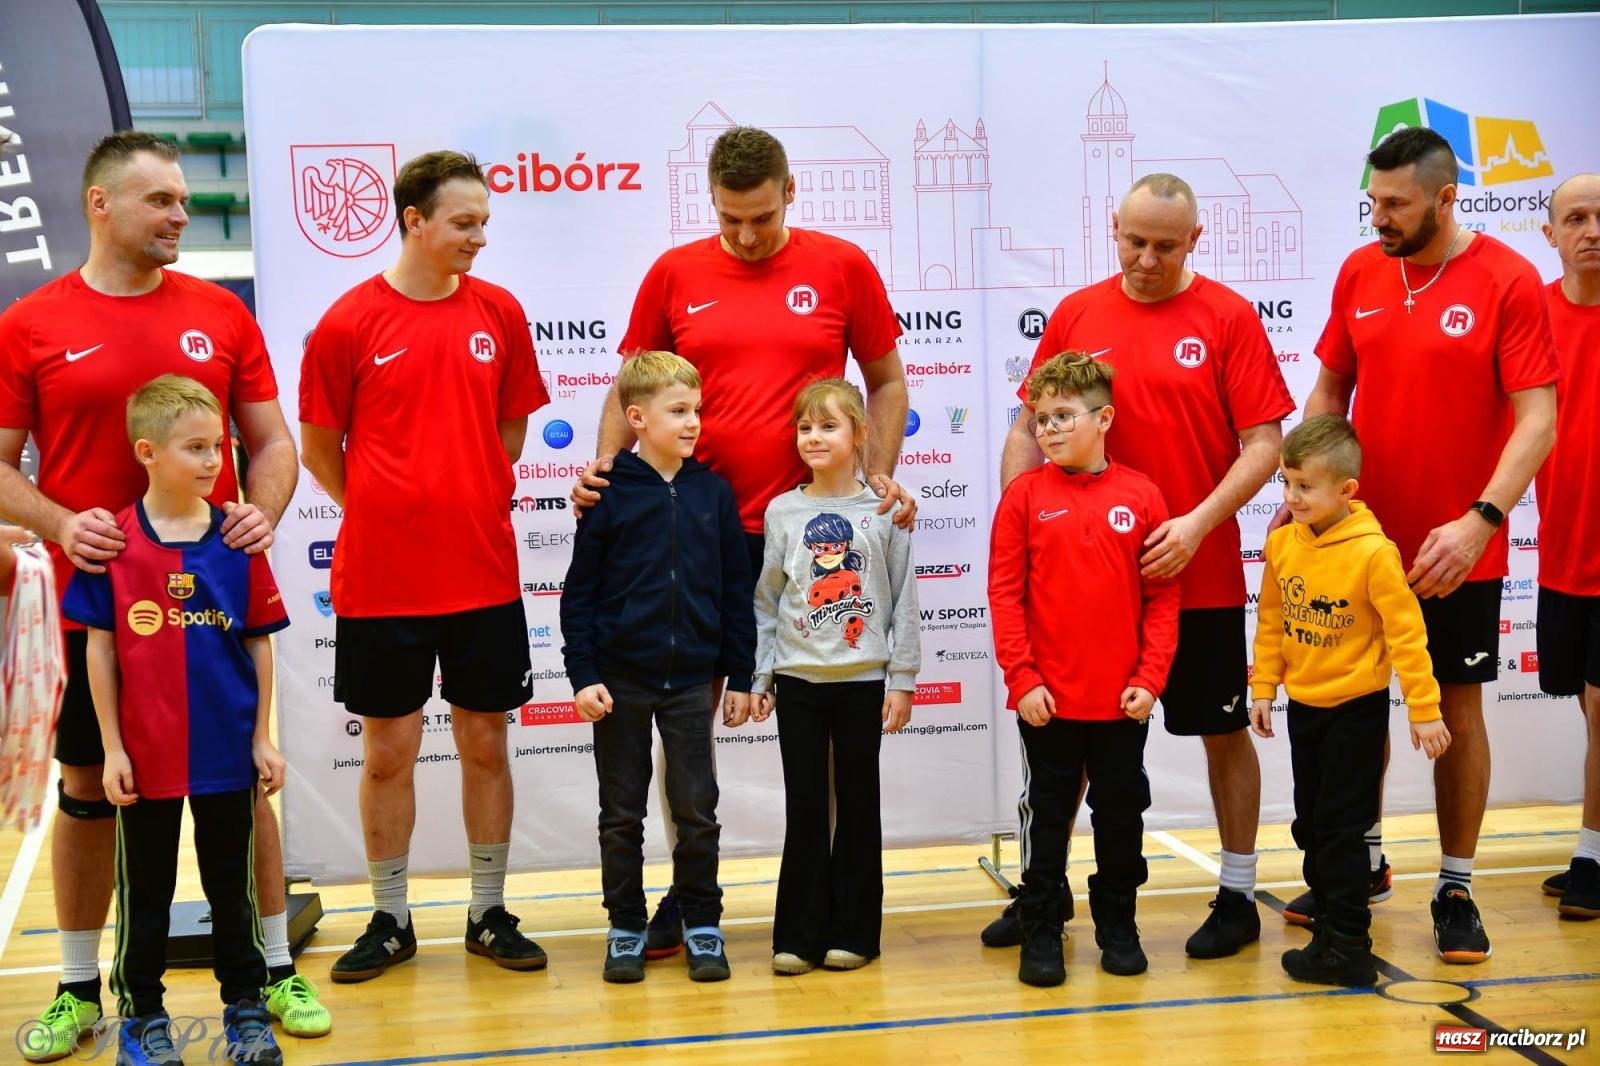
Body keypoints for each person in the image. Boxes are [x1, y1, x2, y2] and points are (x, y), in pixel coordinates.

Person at [0, 131, 325, 1057]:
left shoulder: (221, 315)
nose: (183, 215)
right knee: (90, 788)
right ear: (100, 204)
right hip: (96, 606)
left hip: (211, 600)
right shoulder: (30, 322)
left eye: (184, 199)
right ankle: (76, 986)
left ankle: (271, 969)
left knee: (240, 787)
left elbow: (270, 444)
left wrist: (257, 517)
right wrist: (64, 524)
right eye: (163, 201)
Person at [574, 125, 914, 955]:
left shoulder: (842, 266)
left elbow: (889, 378)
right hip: (702, 533)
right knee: (682, 727)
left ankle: (834, 900)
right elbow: (631, 388)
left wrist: (873, 480)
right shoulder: (674, 272)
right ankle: (687, 903)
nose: (746, 235)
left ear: (791, 193)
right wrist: (605, 471)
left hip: (816, 535)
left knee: (830, 730)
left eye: (760, 216)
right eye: (730, 219)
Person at [997, 174, 1292, 959]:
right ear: (1113, 228)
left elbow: (1266, 443)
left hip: (1197, 574)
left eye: (1166, 244)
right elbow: (1033, 426)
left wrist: (1196, 523)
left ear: (1195, 240)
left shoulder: (1228, 317)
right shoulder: (1077, 314)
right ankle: (1044, 894)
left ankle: (1236, 893)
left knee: (1224, 733)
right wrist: (1021, 526)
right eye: (1134, 241)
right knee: (1070, 752)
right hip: (1087, 593)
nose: (1147, 258)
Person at [299, 149, 552, 982]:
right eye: (464, 222)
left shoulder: (501, 313)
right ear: (413, 220)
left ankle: (487, 912)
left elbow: (509, 435)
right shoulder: (346, 323)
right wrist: (384, 505)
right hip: (382, 583)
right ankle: (391, 916)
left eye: (485, 221)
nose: (481, 236)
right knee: (387, 755)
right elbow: (319, 452)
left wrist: (467, 494)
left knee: (486, 743)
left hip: (482, 576)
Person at [1305, 127, 1557, 962]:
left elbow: (1538, 418)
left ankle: (1456, 885)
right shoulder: (1359, 271)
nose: (1379, 217)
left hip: (1456, 549)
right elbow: (1332, 387)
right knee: (1351, 708)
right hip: (1357, 541)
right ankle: (1366, 865)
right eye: (1372, 201)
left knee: (1455, 707)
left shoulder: (1508, 281)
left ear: (1447, 199)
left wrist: (1481, 517)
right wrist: (1302, 490)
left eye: (1396, 204)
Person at [61, 376, 289, 1065]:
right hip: (146, 755)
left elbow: (257, 639)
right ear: (148, 452)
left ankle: (246, 1010)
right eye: (196, 447)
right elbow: (98, 650)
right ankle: (143, 1017)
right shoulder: (113, 541)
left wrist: (262, 736)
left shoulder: (238, 538)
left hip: (226, 750)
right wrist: (111, 749)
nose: (215, 459)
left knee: (232, 889)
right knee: (147, 894)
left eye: (218, 445)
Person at [559, 351, 754, 984]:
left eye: (697, 410)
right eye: (678, 411)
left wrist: (742, 675)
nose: (693, 423)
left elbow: (733, 593)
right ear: (636, 417)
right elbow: (579, 595)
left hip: (693, 683)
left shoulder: (712, 493)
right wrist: (583, 674)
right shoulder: (610, 495)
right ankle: (624, 926)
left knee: (696, 808)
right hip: (619, 683)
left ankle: (703, 922)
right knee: (622, 813)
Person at [989, 353, 1179, 986]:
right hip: (1048, 701)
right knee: (1047, 820)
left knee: (1121, 817)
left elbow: (1162, 598)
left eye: (1064, 417)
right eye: (1041, 419)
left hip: (1123, 701)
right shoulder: (1023, 497)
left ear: (1104, 419)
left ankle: (1117, 925)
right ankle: (1042, 926)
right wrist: (1023, 680)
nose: (1048, 430)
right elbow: (1005, 595)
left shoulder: (1143, 495)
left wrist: (1150, 678)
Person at [1248, 414, 1449, 986]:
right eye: (1286, 484)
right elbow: (1271, 620)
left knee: (1340, 828)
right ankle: (1331, 932)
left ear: (1346, 490)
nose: (1292, 497)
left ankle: (1348, 948)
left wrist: (1425, 709)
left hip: (1356, 712)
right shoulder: (1282, 543)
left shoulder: (1373, 553)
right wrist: (1264, 686)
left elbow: (1407, 635)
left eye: (1305, 487)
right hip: (1305, 709)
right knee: (1311, 825)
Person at [750, 378, 920, 976]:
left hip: (862, 684)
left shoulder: (885, 511)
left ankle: (855, 931)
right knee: (804, 808)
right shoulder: (783, 511)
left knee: (857, 804)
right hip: (798, 682)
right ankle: (798, 932)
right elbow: (768, 601)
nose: (814, 437)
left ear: (860, 434)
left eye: (828, 426)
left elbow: (902, 601)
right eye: (805, 427)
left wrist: (901, 678)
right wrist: (762, 677)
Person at [1535, 173, 1600, 920]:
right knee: (1589, 709)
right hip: (1562, 554)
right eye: (1574, 218)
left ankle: (1591, 853)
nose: (1590, 228)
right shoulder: (1535, 318)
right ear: (1549, 235)